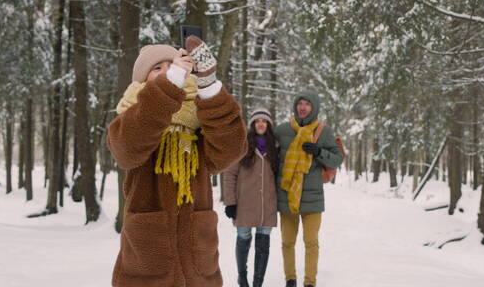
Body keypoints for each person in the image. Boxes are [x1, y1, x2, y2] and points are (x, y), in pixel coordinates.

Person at [107, 36, 247, 287]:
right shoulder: (130, 117)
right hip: (147, 261)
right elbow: (127, 150)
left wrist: (209, 86)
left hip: (198, 262)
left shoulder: (200, 121)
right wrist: (169, 84)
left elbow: (231, 150)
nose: (166, 72)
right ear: (142, 80)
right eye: (157, 69)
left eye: (170, 65)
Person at [275, 91, 344, 287]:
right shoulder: (282, 130)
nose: (302, 107)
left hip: (313, 198)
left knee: (311, 242)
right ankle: (290, 279)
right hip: (287, 194)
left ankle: (309, 282)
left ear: (314, 108)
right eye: (300, 103)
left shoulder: (324, 132)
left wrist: (319, 152)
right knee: (287, 242)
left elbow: (338, 158)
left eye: (307, 104)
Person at [223, 108, 279, 287]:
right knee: (243, 240)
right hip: (244, 205)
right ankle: (242, 277)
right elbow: (229, 175)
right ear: (253, 125)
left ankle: (258, 282)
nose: (261, 124)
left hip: (267, 206)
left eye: (264, 121)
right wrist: (230, 202)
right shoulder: (242, 145)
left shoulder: (275, 148)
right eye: (257, 121)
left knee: (263, 246)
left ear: (268, 125)